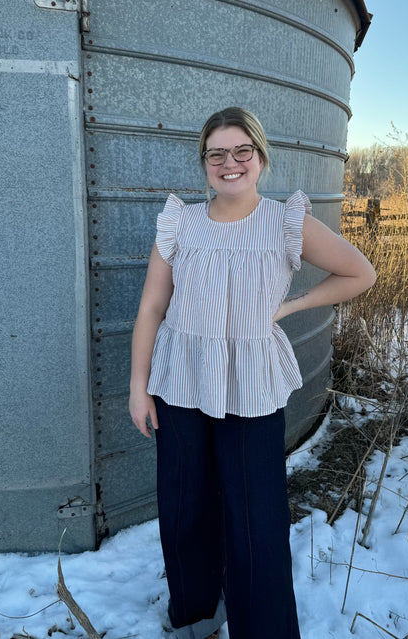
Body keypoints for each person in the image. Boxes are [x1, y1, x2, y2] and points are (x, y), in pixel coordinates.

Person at [129, 107, 376, 639]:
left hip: (252, 388)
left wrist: (290, 307)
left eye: (242, 151)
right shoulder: (180, 223)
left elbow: (360, 272)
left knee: (254, 518)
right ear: (205, 164)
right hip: (180, 383)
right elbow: (151, 308)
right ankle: (195, 614)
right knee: (183, 505)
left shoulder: (285, 222)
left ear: (261, 158)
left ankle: (262, 627)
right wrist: (138, 387)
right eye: (216, 154)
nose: (230, 163)